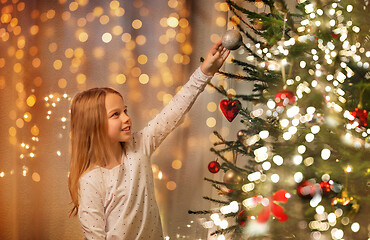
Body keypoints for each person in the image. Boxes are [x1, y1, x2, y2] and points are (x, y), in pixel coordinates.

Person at [68, 40, 229, 239]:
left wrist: (204, 72)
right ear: (94, 125)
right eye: (115, 114)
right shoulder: (90, 181)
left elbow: (173, 112)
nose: (127, 118)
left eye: (125, 111)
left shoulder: (138, 146)